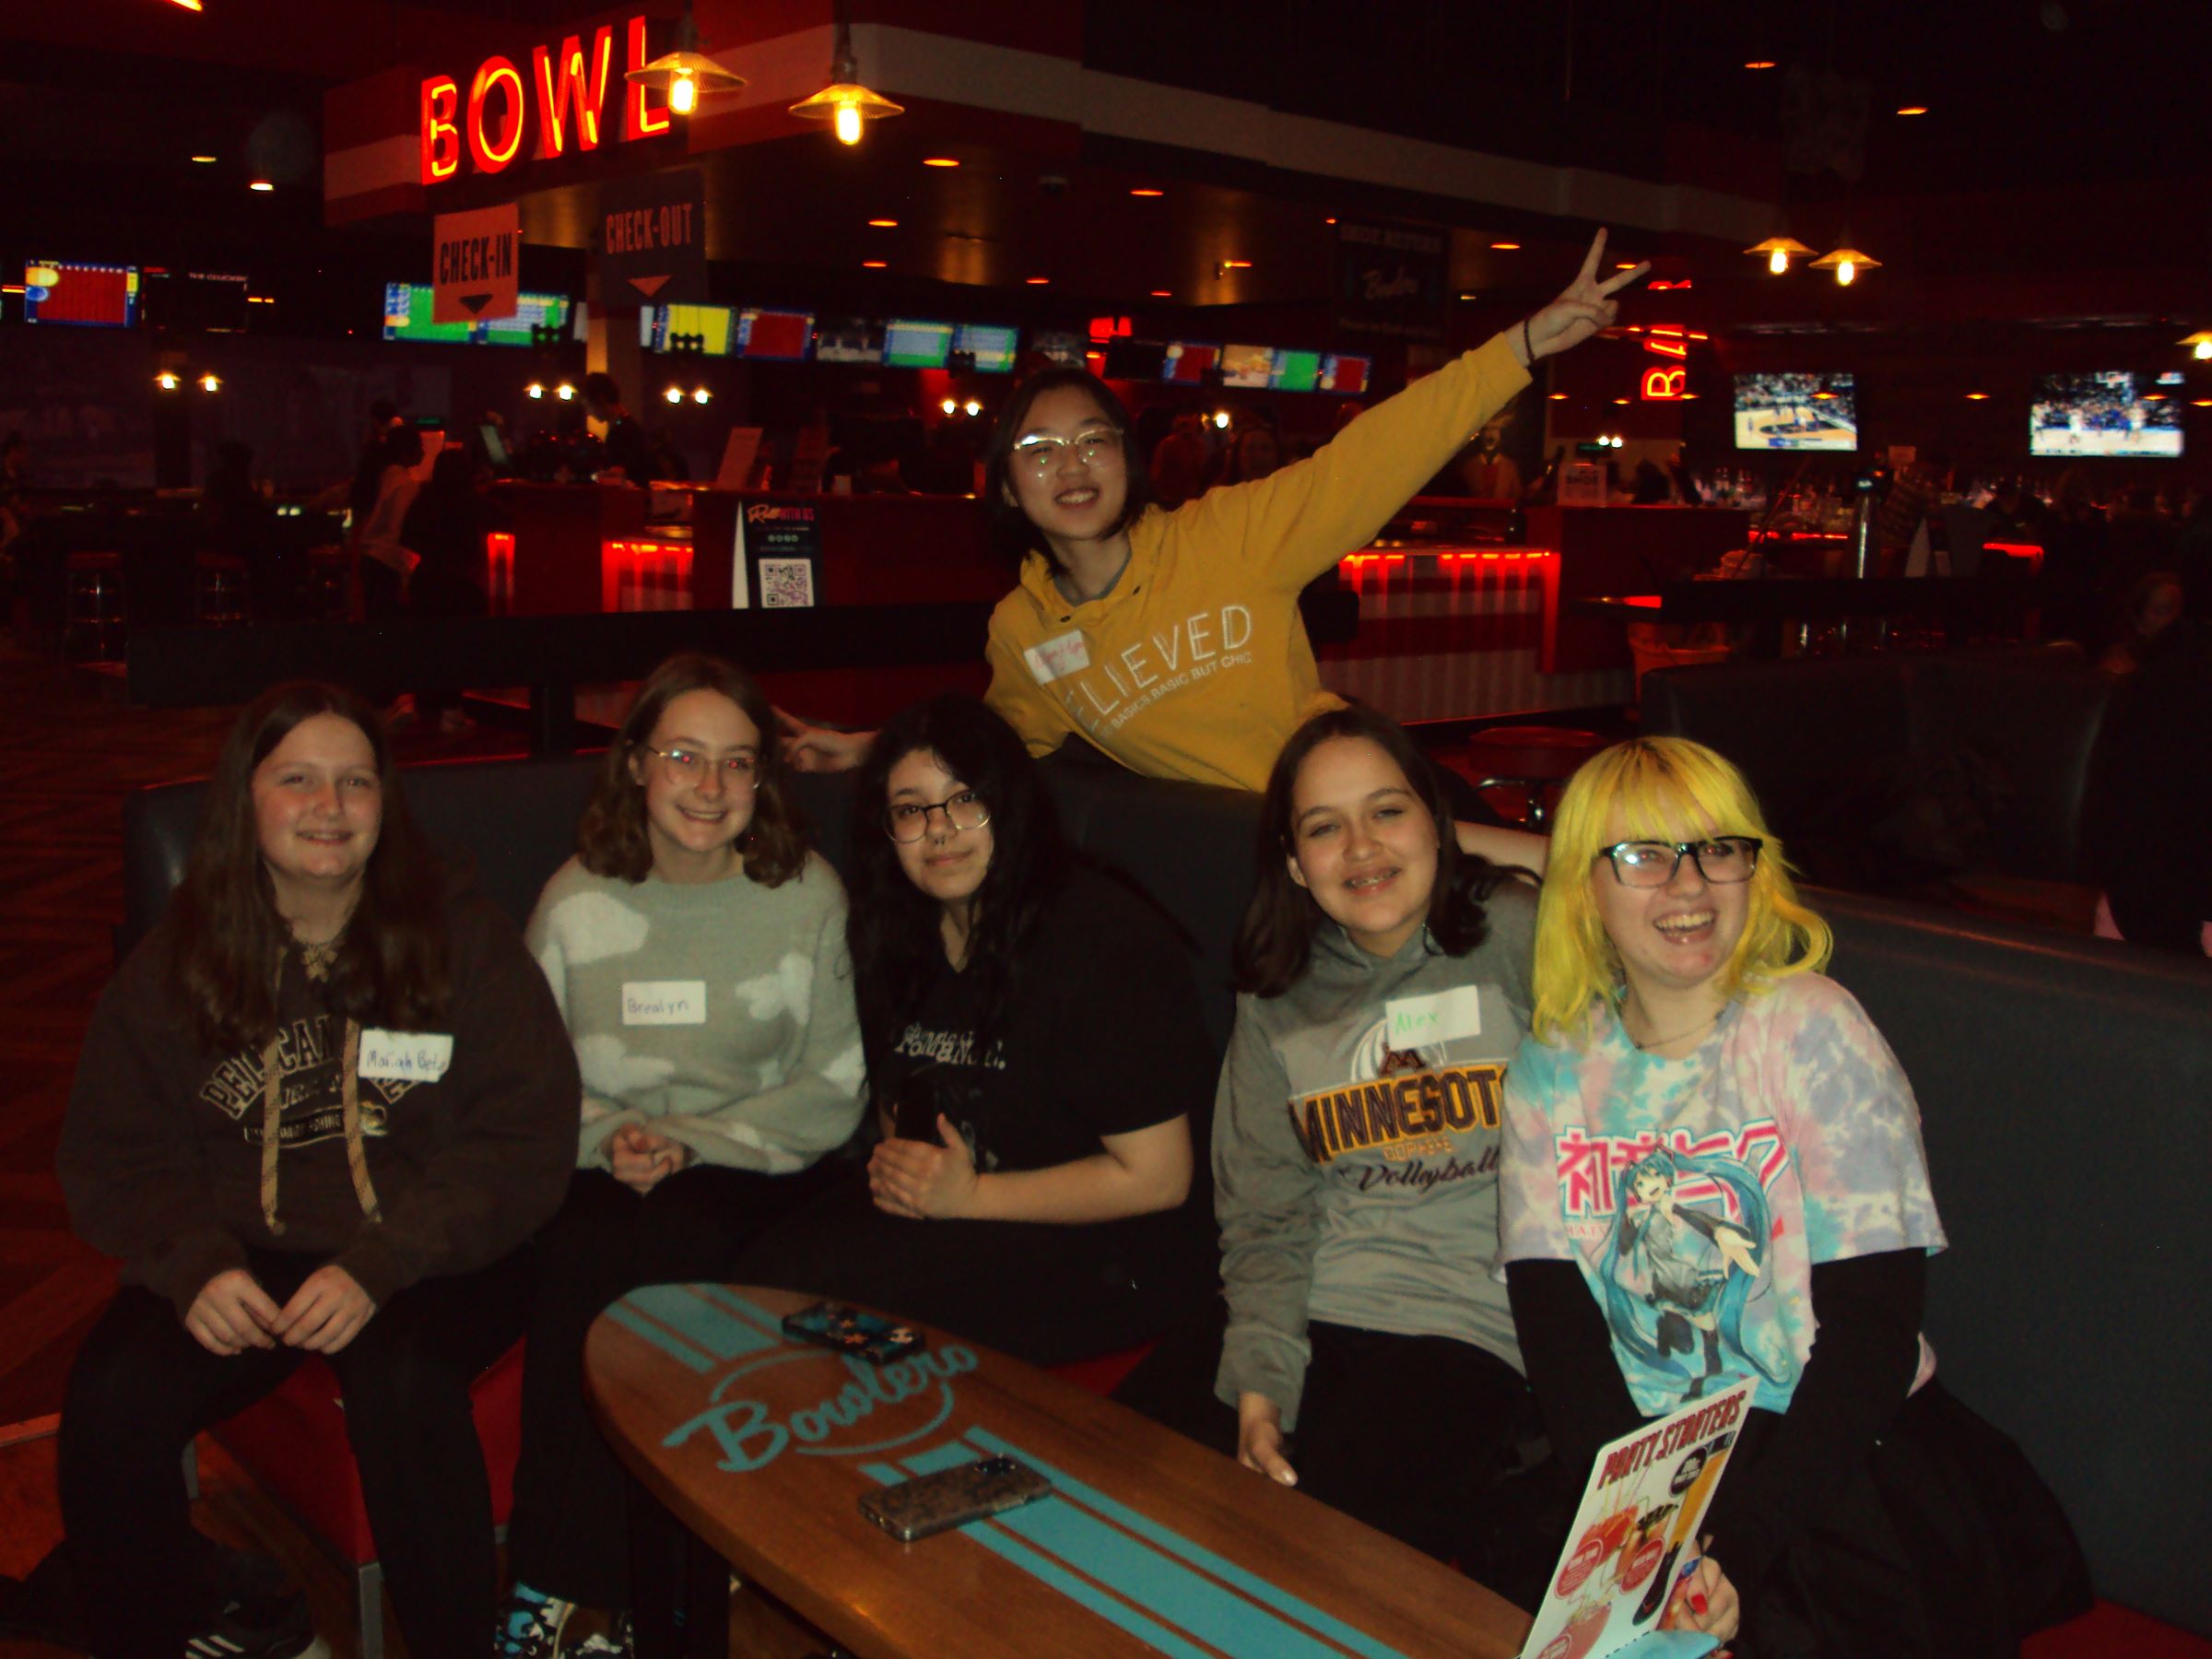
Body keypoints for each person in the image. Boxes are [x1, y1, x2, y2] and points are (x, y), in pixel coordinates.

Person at [1498, 736, 2088, 1657]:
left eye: (1718, 849)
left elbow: (1870, 1340)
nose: (1688, 886)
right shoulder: (1549, 1069)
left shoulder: (1811, 1028)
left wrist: (1735, 1545)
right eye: (1644, 856)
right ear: (1584, 889)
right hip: (1645, 1465)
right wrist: (1653, 1543)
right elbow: (1560, 1336)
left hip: (1831, 1456)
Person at [56, 683, 577, 1659]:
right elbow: (119, 1151)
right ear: (245, 800)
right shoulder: (177, 961)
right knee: (113, 1393)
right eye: (297, 780)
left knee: (400, 1378)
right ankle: (170, 1625)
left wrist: (384, 1262)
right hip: (250, 1247)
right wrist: (196, 1263)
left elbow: (522, 1137)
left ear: (387, 804)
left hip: (437, 1248)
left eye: (355, 782)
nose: (330, 808)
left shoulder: (464, 939)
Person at [779, 229, 1646, 814]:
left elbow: (1373, 456)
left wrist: (1522, 345)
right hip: (1245, 861)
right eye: (1039, 450)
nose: (1072, 466)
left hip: (1359, 809)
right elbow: (997, 736)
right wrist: (872, 749)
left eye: (1093, 440)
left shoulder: (1228, 534)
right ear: (1006, 488)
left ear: (1129, 458)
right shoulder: (1024, 632)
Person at [500, 653, 866, 1655]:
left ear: (764, 780)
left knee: (681, 1246)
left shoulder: (804, 896)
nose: (710, 788)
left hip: (758, 1163)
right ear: (633, 766)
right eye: (685, 757)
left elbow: (836, 1089)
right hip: (603, 1160)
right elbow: (530, 1082)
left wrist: (691, 1141)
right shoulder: (574, 902)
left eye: (737, 763)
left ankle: (674, 1582)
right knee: (581, 1257)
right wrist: (609, 1138)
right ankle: (553, 1590)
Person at [734, 693, 1213, 1363]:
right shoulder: (900, 933)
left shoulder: (1103, 944)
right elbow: (901, 1102)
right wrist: (914, 1172)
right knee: (760, 1282)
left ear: (1009, 804)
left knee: (839, 1312)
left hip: (1110, 1245)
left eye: (965, 800)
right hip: (964, 1211)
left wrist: (971, 1194)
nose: (939, 830)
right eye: (910, 810)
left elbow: (1160, 1178)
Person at [1211, 703, 1549, 1591]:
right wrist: (1262, 1385)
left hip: (1470, 1329)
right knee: (1124, 1494)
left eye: (1387, 812)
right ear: (1294, 862)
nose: (1360, 848)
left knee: (1309, 1573)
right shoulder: (1278, 990)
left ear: (1436, 825)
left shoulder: (1512, 934)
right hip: (1313, 1310)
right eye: (1325, 828)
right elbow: (1264, 1207)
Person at [397, 446, 498, 731]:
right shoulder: (471, 502)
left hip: (427, 581)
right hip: (460, 584)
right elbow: (502, 516)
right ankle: (451, 709)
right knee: (459, 649)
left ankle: (425, 703)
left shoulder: (424, 500)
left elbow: (408, 541)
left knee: (429, 646)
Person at [354, 422, 423, 619]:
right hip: (388, 564)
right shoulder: (405, 485)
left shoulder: (386, 477)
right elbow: (399, 529)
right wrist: (407, 575)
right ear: (406, 453)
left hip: (373, 558)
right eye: (419, 447)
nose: (424, 452)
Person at [582, 371, 658, 486]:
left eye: (588, 405)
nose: (589, 412)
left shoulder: (620, 434)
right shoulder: (630, 428)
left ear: (600, 399)